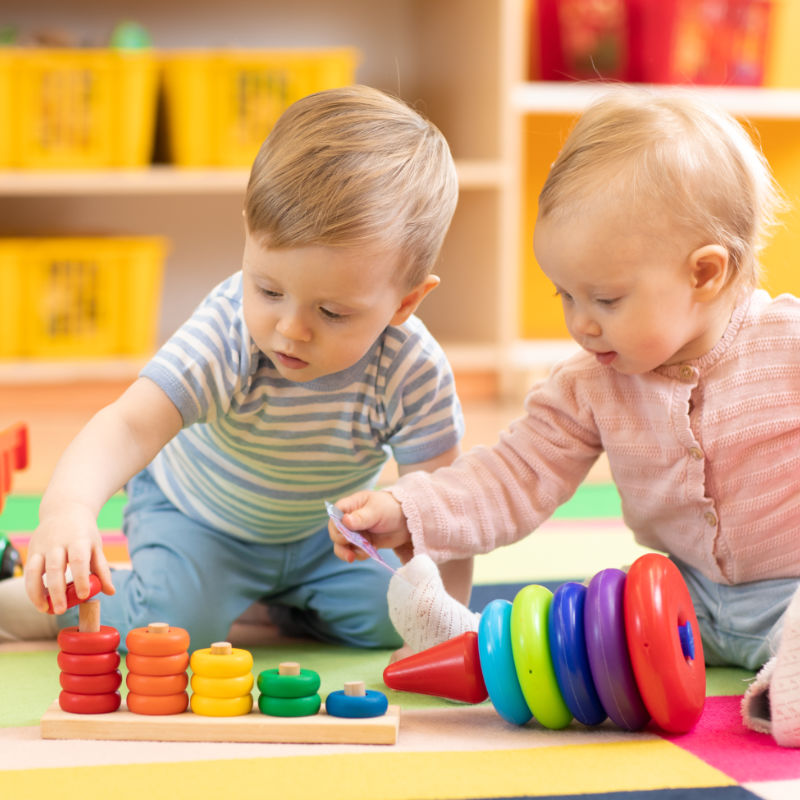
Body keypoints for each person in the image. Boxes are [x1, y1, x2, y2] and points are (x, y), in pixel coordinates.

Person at [329, 86, 800, 747]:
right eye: (565, 294)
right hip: (678, 605)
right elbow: (513, 475)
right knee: (582, 638)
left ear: (705, 274)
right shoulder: (592, 384)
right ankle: (476, 647)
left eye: (605, 298)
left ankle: (788, 686)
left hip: (793, 597)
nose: (580, 323)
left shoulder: (787, 347)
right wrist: (407, 511)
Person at [0, 84, 473, 657]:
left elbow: (440, 510)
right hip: (198, 520)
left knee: (396, 617)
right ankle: (47, 604)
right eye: (268, 289)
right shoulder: (226, 336)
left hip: (325, 537)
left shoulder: (413, 371)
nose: (290, 329)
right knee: (172, 632)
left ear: (404, 303)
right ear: (248, 234)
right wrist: (67, 509)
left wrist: (443, 626)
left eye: (331, 312)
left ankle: (268, 598)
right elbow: (127, 427)